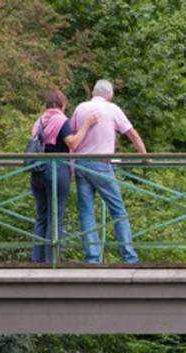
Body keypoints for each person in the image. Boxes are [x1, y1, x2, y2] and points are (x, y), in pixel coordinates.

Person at [70, 79, 147, 264]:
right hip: (101, 164)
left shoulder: (80, 108)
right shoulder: (113, 109)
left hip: (81, 164)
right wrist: (144, 156)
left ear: (93, 93)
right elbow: (132, 134)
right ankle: (129, 257)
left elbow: (72, 138)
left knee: (86, 211)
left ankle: (93, 258)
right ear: (110, 95)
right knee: (118, 210)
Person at [29, 89, 98, 263]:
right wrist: (87, 125)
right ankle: (51, 261)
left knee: (42, 215)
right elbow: (72, 142)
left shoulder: (39, 121)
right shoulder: (61, 120)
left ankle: (37, 261)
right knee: (55, 216)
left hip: (37, 171)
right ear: (62, 104)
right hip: (56, 170)